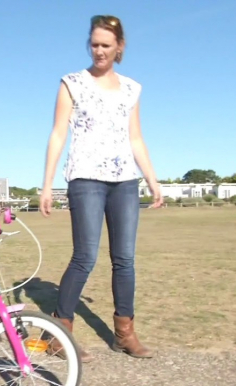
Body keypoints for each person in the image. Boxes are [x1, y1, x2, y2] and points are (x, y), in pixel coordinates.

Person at [39, 15, 163, 362]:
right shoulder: (72, 83)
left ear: (119, 47)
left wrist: (152, 180)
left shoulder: (131, 89)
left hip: (124, 181)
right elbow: (58, 134)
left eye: (106, 45)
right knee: (85, 257)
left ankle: (125, 333)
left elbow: (135, 138)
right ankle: (58, 333)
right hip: (85, 179)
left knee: (124, 259)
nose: (99, 51)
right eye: (94, 44)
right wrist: (47, 184)